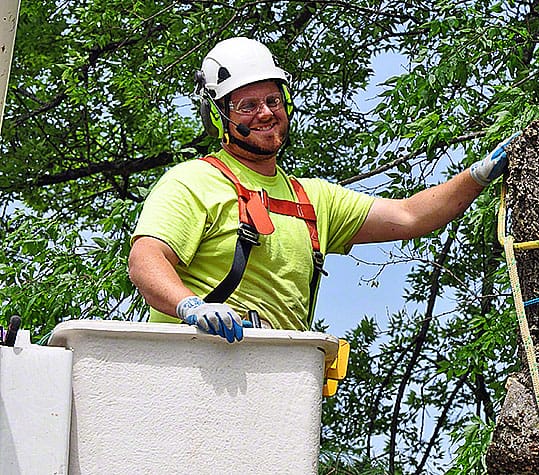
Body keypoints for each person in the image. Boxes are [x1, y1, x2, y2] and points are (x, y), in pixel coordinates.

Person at [128, 37, 513, 343]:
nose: (264, 113)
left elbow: (411, 216)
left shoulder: (311, 199)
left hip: (275, 369)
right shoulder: (193, 182)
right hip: (191, 363)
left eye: (272, 100)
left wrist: (478, 175)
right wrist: (191, 307)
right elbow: (146, 258)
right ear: (219, 115)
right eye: (246, 104)